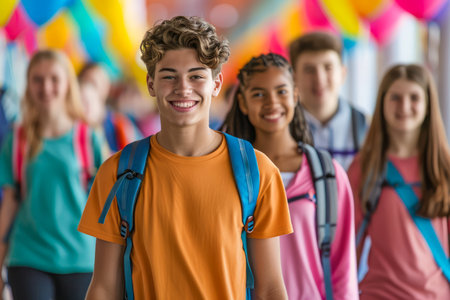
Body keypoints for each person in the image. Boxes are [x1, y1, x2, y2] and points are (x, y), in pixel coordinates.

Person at [78, 16, 292, 299]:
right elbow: (104, 287)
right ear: (151, 84)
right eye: (168, 76)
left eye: (196, 76)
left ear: (215, 85)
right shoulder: (118, 174)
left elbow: (270, 288)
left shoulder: (257, 173)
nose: (183, 88)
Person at [222, 53, 358, 299]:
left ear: (295, 96)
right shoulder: (228, 173)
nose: (272, 102)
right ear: (242, 103)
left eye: (281, 92)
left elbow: (343, 269)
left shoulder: (327, 175)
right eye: (258, 94)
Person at [0, 49, 105, 300]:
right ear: (28, 85)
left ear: (67, 84)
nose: (45, 87)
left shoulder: (88, 139)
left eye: (54, 79)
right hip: (28, 255)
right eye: (37, 79)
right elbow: (10, 201)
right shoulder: (18, 140)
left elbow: (106, 201)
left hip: (81, 258)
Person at [347, 64, 450, 299]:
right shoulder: (363, 168)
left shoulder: (444, 167)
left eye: (414, 97)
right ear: (382, 103)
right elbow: (349, 244)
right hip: (379, 294)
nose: (404, 106)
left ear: (427, 106)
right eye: (395, 97)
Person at [289, 31, 369, 170]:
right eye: (309, 70)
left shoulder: (366, 126)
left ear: (343, 74)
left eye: (328, 67)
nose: (319, 79)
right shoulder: (282, 128)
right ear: (293, 77)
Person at [79, 62, 142, 153]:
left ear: (107, 87)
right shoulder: (72, 120)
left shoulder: (119, 124)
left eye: (101, 82)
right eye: (90, 82)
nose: (95, 87)